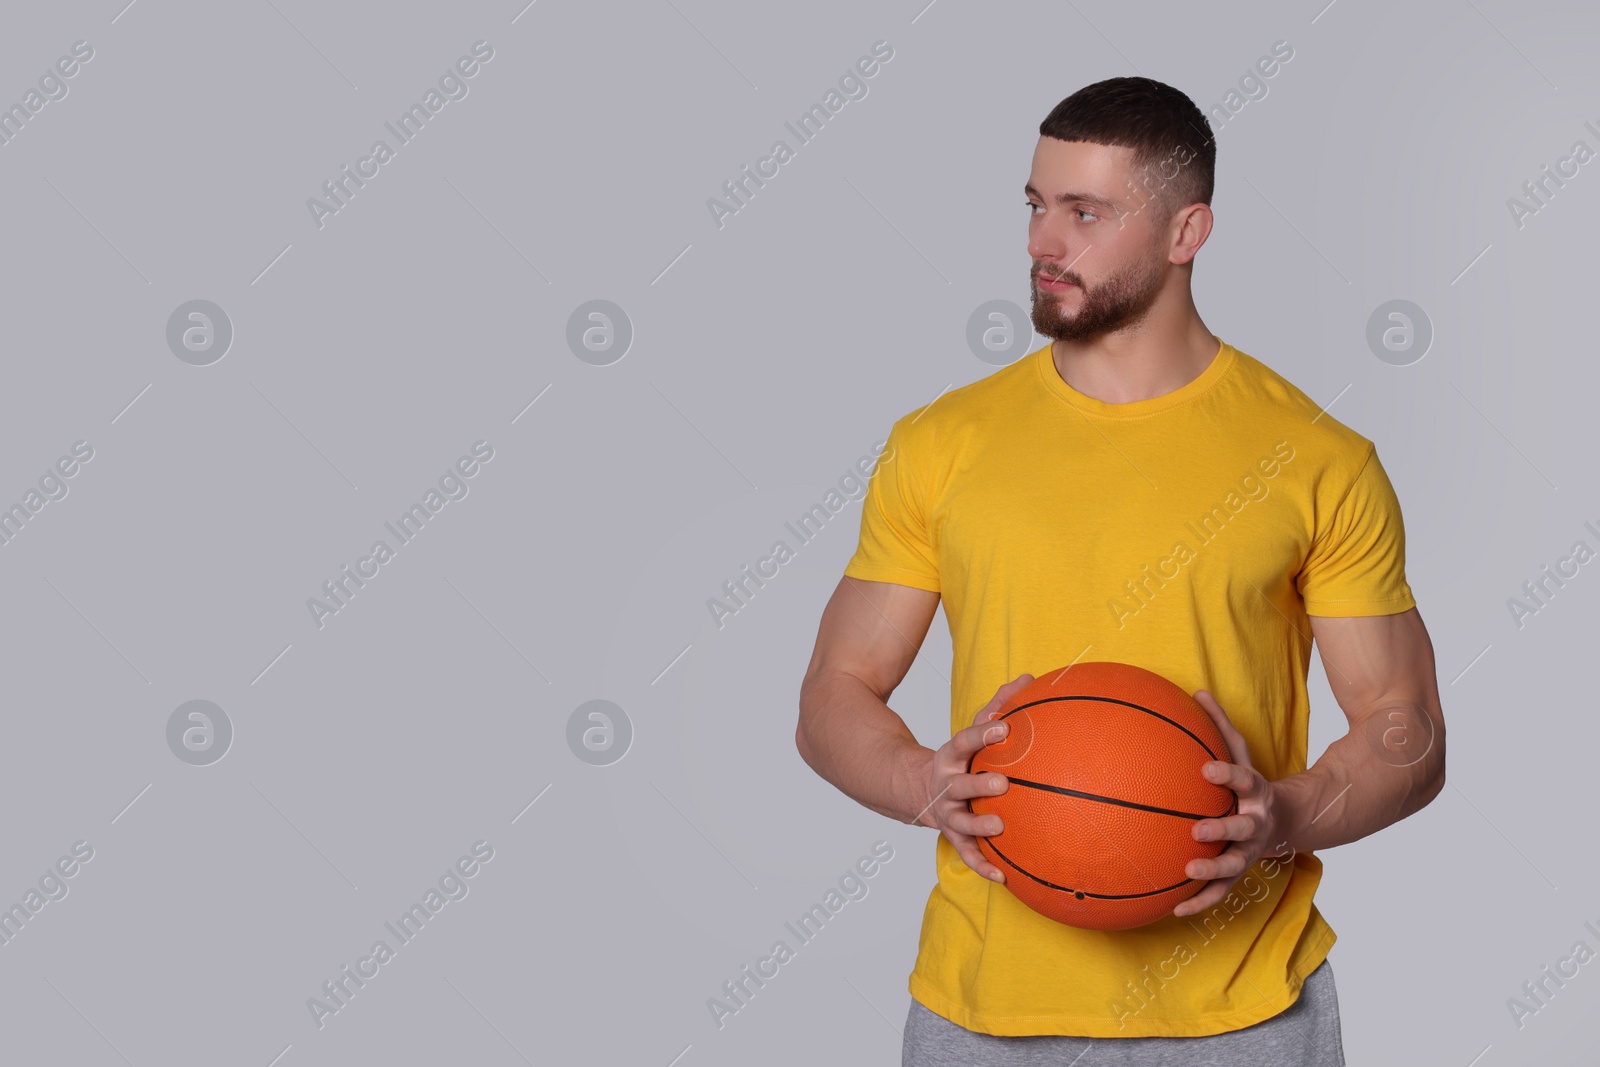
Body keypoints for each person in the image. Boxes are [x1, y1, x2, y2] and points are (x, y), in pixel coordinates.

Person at [795, 75, 1447, 1065]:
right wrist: (918, 778)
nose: (1039, 245)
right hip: (983, 1013)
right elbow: (834, 692)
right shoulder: (940, 444)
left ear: (1187, 234)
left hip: (1243, 1015)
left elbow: (1408, 730)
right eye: (1034, 206)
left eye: (1084, 213)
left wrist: (1280, 814)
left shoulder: (1315, 458)